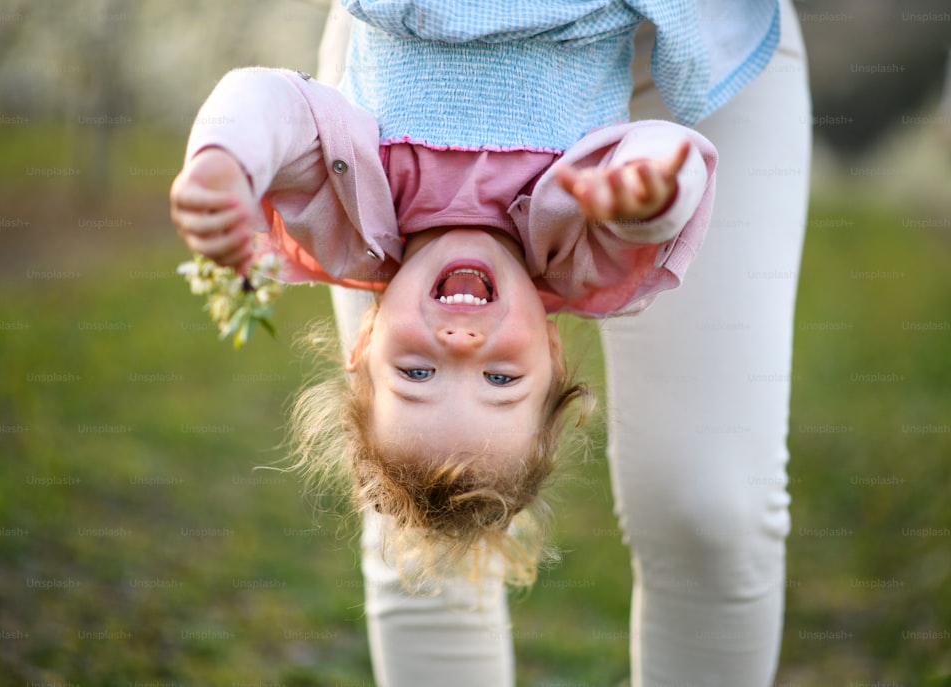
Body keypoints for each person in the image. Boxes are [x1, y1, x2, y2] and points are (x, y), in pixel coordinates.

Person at [317, 0, 811, 685]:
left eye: (424, 365)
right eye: (497, 378)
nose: (459, 342)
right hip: (420, 55)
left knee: (711, 507)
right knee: (427, 509)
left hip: (694, 48)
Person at [170, 58, 716, 585]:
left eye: (416, 374)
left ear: (365, 337)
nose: (460, 344)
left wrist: (225, 158)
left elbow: (278, 104)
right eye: (500, 380)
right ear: (551, 350)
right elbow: (669, 151)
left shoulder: (349, 203)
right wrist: (648, 196)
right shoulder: (584, 244)